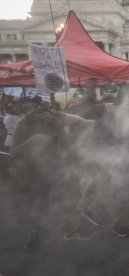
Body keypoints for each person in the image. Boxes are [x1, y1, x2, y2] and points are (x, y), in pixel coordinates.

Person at [10, 95, 93, 248]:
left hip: (57, 169)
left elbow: (81, 123)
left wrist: (87, 130)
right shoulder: (23, 123)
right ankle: (35, 233)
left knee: (67, 200)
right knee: (38, 203)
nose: (38, 112)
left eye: (41, 107)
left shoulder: (54, 117)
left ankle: (71, 231)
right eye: (31, 109)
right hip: (33, 172)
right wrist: (32, 141)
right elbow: (13, 153)